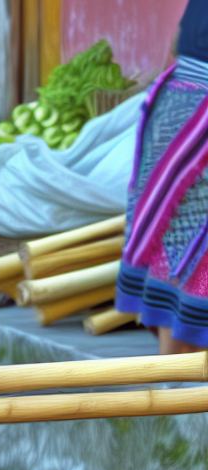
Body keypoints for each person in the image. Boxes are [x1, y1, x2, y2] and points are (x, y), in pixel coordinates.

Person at [117, 0, 208, 355]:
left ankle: (173, 372)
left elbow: (177, 39)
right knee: (187, 247)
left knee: (174, 241)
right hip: (193, 114)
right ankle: (178, 372)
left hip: (177, 101)